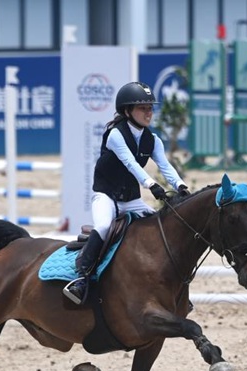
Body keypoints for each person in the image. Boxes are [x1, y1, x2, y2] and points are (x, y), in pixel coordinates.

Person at [63, 81, 190, 305]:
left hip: (131, 201)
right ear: (127, 111)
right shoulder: (115, 135)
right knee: (103, 227)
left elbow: (165, 166)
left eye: (150, 108)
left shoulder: (153, 140)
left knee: (159, 225)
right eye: (143, 108)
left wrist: (180, 186)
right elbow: (131, 164)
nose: (148, 113)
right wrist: (152, 185)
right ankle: (81, 278)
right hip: (106, 197)